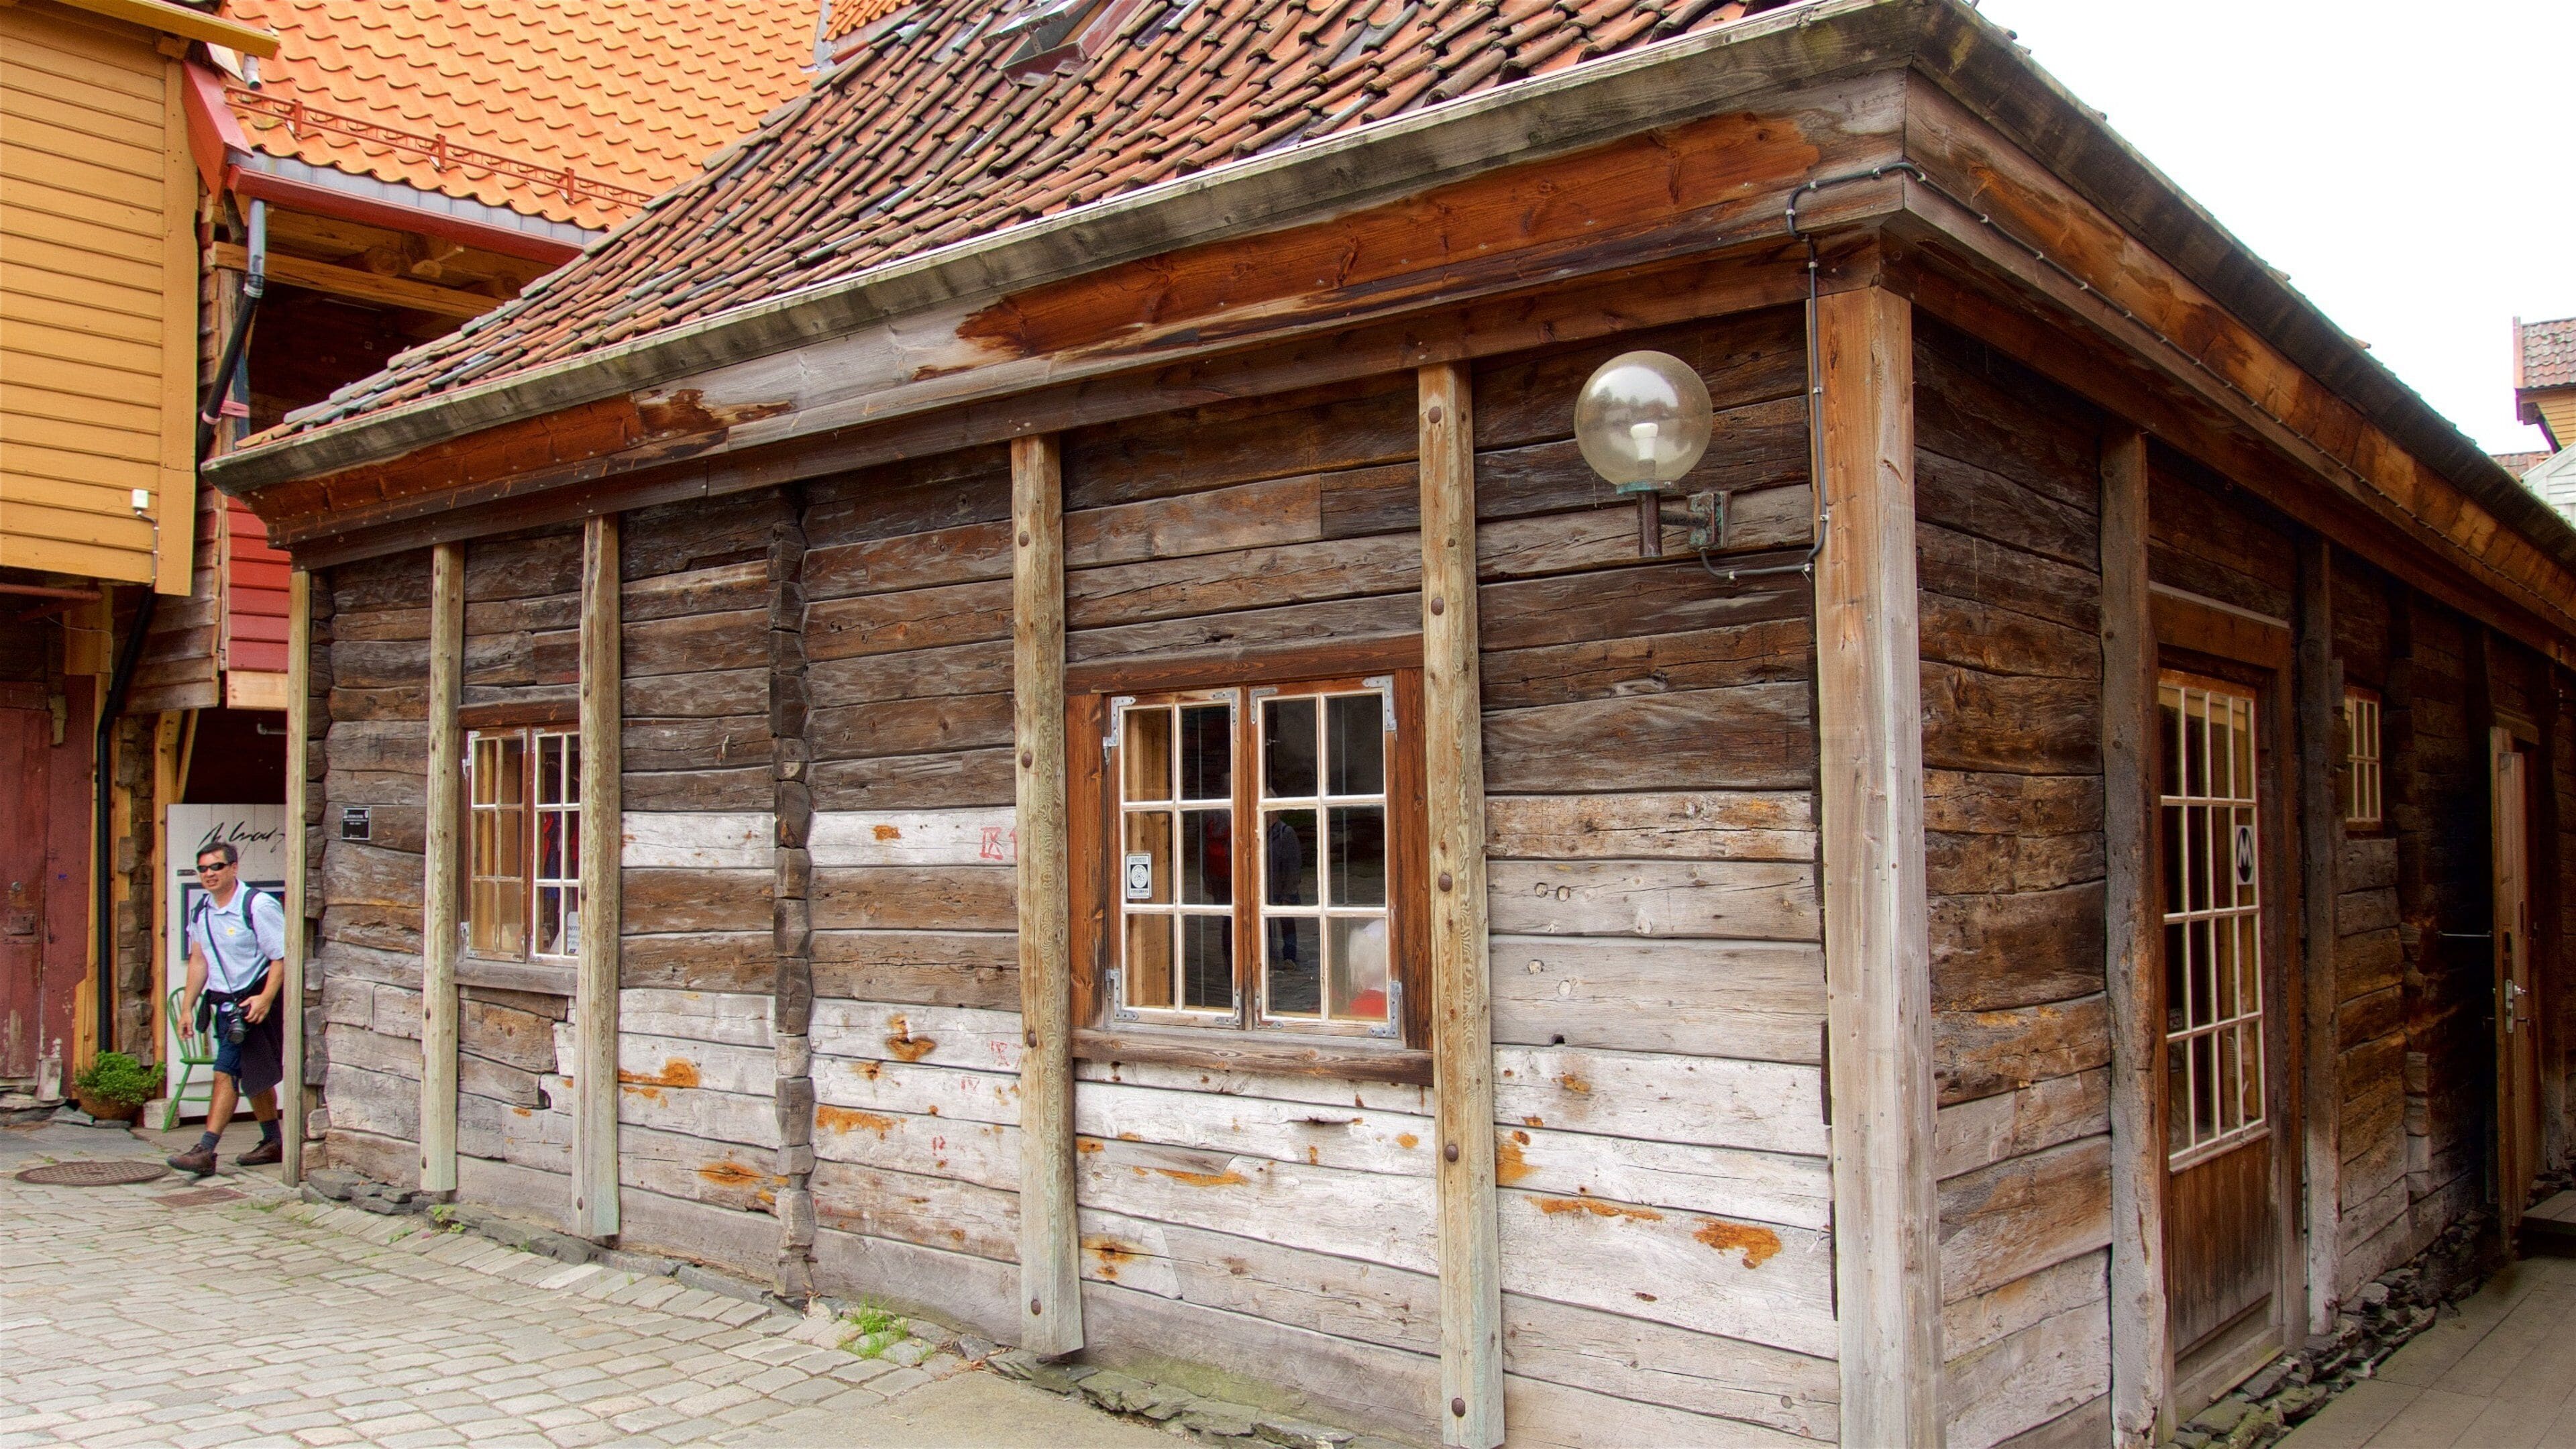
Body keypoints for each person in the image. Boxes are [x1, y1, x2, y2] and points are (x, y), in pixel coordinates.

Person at [167, 841, 288, 1175]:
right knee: (254, 1076)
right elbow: (199, 959)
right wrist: (188, 1008)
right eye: (203, 869)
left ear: (234, 868)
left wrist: (265, 998)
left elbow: (281, 955)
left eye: (216, 867)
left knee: (225, 1073)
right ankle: (273, 1141)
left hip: (254, 1003)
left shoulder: (258, 905)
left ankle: (205, 1150)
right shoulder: (202, 911)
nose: (209, 874)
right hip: (223, 1005)